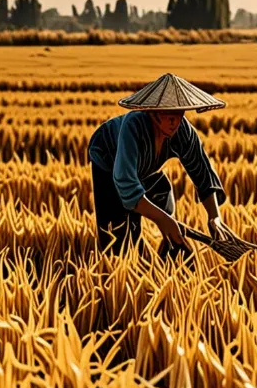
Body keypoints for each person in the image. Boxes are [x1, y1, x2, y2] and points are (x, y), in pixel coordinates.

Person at [87, 72, 235, 262]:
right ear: (153, 114)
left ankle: (167, 253)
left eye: (179, 114)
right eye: (168, 115)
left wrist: (215, 218)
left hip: (145, 170)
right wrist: (163, 220)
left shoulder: (183, 131)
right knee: (117, 231)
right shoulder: (133, 127)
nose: (174, 121)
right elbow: (126, 182)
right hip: (108, 161)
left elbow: (202, 172)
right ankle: (120, 262)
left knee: (162, 194)